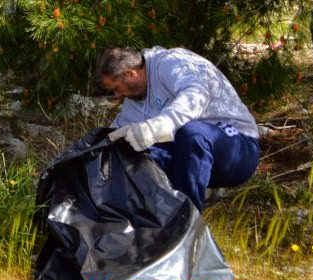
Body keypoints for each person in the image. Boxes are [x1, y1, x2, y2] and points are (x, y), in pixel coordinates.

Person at [94, 45, 260, 211]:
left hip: (239, 148)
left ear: (130, 74)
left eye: (116, 88)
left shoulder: (169, 63)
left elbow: (196, 95)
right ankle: (152, 222)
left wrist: (157, 126)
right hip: (193, 157)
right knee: (134, 153)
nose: (116, 95)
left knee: (192, 132)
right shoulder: (134, 103)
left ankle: (187, 221)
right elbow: (114, 134)